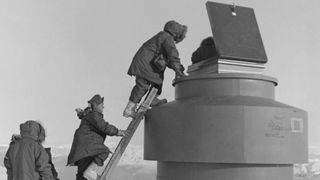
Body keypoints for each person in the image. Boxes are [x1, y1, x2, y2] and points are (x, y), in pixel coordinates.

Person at [123, 20, 188, 118]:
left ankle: (151, 99)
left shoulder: (162, 36)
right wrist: (179, 70)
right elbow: (172, 54)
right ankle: (129, 109)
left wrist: (178, 68)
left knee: (156, 83)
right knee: (142, 86)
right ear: (176, 33)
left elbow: (169, 59)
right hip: (145, 65)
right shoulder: (167, 38)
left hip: (146, 64)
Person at [67, 94, 129, 180]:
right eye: (101, 105)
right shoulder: (94, 116)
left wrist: (81, 113)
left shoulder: (90, 115)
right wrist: (118, 132)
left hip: (82, 148)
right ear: (96, 106)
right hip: (87, 146)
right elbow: (104, 127)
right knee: (104, 151)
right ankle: (90, 172)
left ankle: (88, 173)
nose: (103, 107)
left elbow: (86, 114)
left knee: (82, 172)